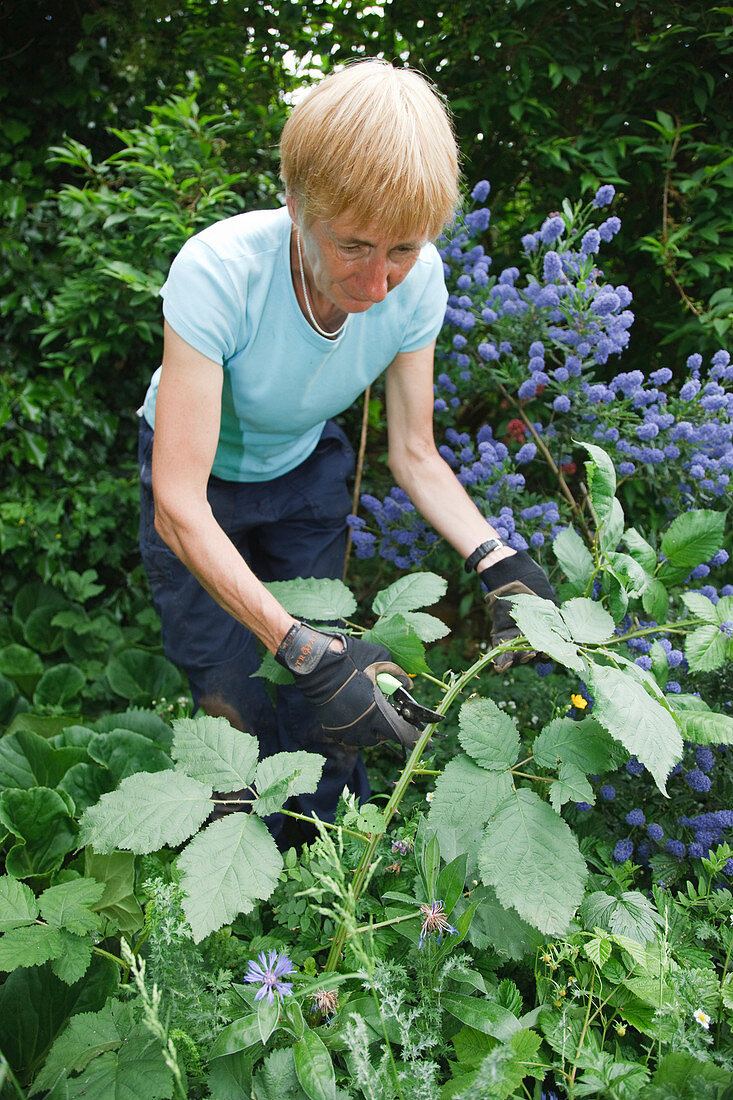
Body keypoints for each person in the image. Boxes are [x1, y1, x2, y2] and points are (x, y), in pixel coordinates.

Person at [138, 60, 553, 840]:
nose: (376, 283)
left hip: (303, 469)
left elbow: (415, 454)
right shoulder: (220, 272)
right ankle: (241, 847)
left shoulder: (418, 282)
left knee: (331, 689)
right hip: (196, 484)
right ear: (296, 204)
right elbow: (178, 506)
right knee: (232, 682)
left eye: (401, 247)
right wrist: (297, 646)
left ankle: (329, 850)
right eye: (355, 244)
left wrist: (499, 561)